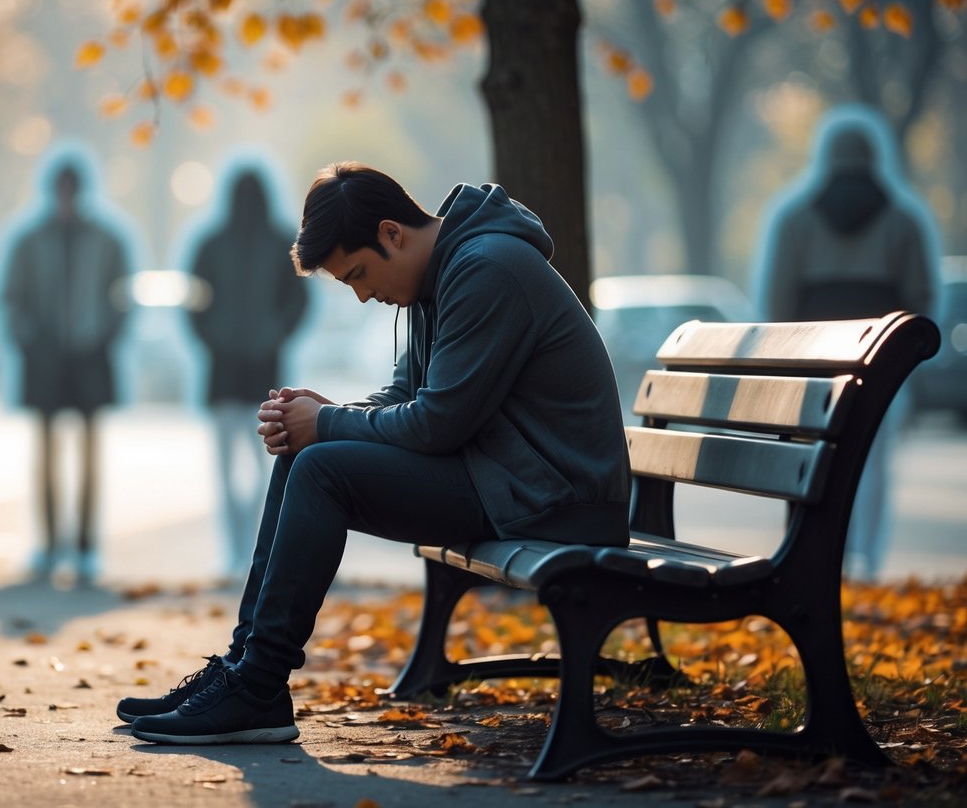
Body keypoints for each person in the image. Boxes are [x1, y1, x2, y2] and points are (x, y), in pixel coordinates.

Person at [117, 162, 631, 744]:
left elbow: (436, 425)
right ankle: (244, 671)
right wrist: (322, 414)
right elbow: (409, 397)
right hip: (506, 478)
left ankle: (257, 685)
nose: (363, 296)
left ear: (392, 233)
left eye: (358, 274)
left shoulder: (487, 270)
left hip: (557, 497)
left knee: (321, 467)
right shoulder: (442, 273)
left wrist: (330, 425)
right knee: (305, 454)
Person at [755, 105, 939, 582]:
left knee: (818, 461)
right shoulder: (904, 220)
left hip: (815, 367)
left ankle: (822, 557)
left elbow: (776, 300)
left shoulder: (793, 219)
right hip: (881, 362)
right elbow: (923, 298)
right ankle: (865, 561)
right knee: (873, 461)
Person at [0, 159, 132, 583]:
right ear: (52, 191)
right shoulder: (29, 240)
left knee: (90, 454)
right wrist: (30, 341)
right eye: (61, 189)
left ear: (81, 191)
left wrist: (106, 335)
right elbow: (11, 298)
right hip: (46, 358)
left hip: (89, 357)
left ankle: (86, 546)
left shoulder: (106, 240)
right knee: (46, 454)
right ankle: (51, 544)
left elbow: (122, 296)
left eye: (73, 189)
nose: (67, 198)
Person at [186, 167, 309, 578]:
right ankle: (238, 548)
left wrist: (273, 333)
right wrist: (219, 336)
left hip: (253, 369)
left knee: (255, 467)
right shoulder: (269, 242)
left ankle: (249, 548)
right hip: (237, 368)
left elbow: (297, 301)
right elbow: (195, 302)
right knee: (240, 467)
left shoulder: (244, 243)